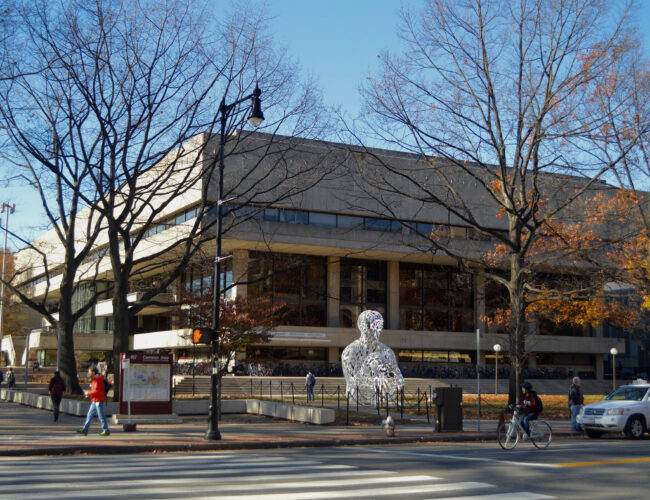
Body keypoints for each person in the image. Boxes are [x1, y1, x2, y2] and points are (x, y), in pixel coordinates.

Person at [77, 366, 110, 436]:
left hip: (98, 400)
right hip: (95, 400)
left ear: (93, 372)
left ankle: (106, 430)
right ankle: (85, 429)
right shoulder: (95, 379)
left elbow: (96, 391)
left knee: (101, 416)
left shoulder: (98, 379)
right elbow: (95, 390)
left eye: (89, 372)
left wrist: (87, 393)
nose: (88, 373)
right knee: (89, 414)